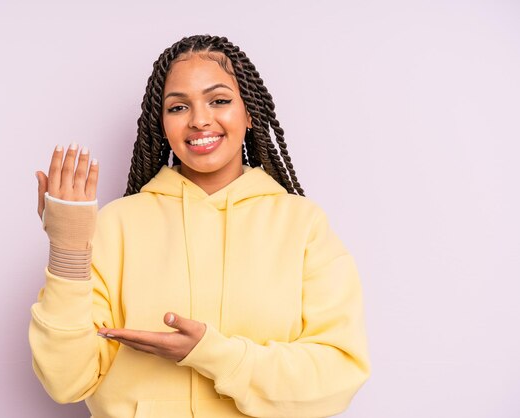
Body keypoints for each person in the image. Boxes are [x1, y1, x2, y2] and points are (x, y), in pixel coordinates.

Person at [29, 34, 370, 418]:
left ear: (249, 113)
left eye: (219, 100)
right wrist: (68, 250)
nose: (199, 119)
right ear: (162, 124)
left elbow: (337, 377)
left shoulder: (301, 223)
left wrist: (210, 353)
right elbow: (66, 381)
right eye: (178, 107)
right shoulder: (118, 224)